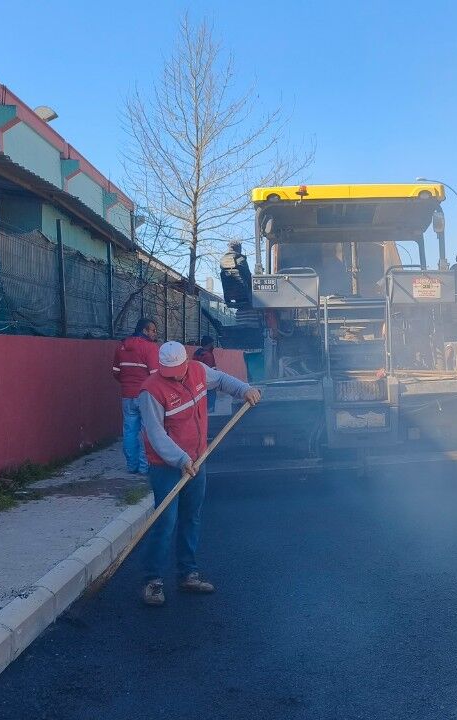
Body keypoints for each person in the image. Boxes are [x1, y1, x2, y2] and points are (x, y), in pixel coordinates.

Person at [137, 341, 261, 605]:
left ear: (186, 363)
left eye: (179, 370)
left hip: (198, 459)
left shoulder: (199, 370)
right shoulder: (150, 391)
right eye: (169, 372)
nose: (176, 376)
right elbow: (157, 436)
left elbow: (224, 380)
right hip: (166, 466)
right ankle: (153, 581)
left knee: (190, 518)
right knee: (165, 521)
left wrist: (244, 389)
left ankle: (187, 574)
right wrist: (180, 459)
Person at [113, 317, 159, 474]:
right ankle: (144, 467)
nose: (155, 333)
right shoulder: (150, 348)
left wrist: (127, 383)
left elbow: (116, 372)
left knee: (129, 430)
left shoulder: (121, 347)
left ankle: (131, 466)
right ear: (144, 330)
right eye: (153, 330)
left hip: (127, 395)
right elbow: (155, 375)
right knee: (146, 431)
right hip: (145, 395)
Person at [219, 240, 253, 309]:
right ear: (238, 248)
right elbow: (248, 276)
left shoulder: (222, 260)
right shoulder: (241, 259)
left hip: (229, 295)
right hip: (244, 295)